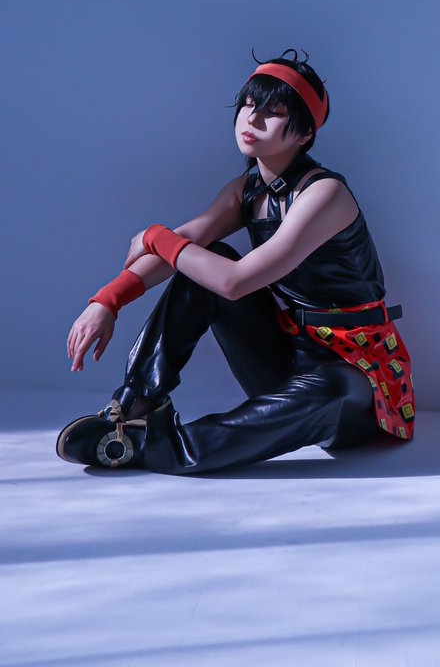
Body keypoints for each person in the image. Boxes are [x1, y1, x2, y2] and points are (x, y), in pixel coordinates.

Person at [57, 51, 414, 474]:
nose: (253, 119)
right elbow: (182, 247)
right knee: (206, 261)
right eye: (248, 104)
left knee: (333, 385)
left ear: (304, 133)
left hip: (356, 374)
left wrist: (155, 234)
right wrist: (107, 300)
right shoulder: (245, 190)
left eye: (274, 112)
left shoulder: (324, 194)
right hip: (287, 358)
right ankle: (134, 406)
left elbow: (235, 282)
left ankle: (152, 447)